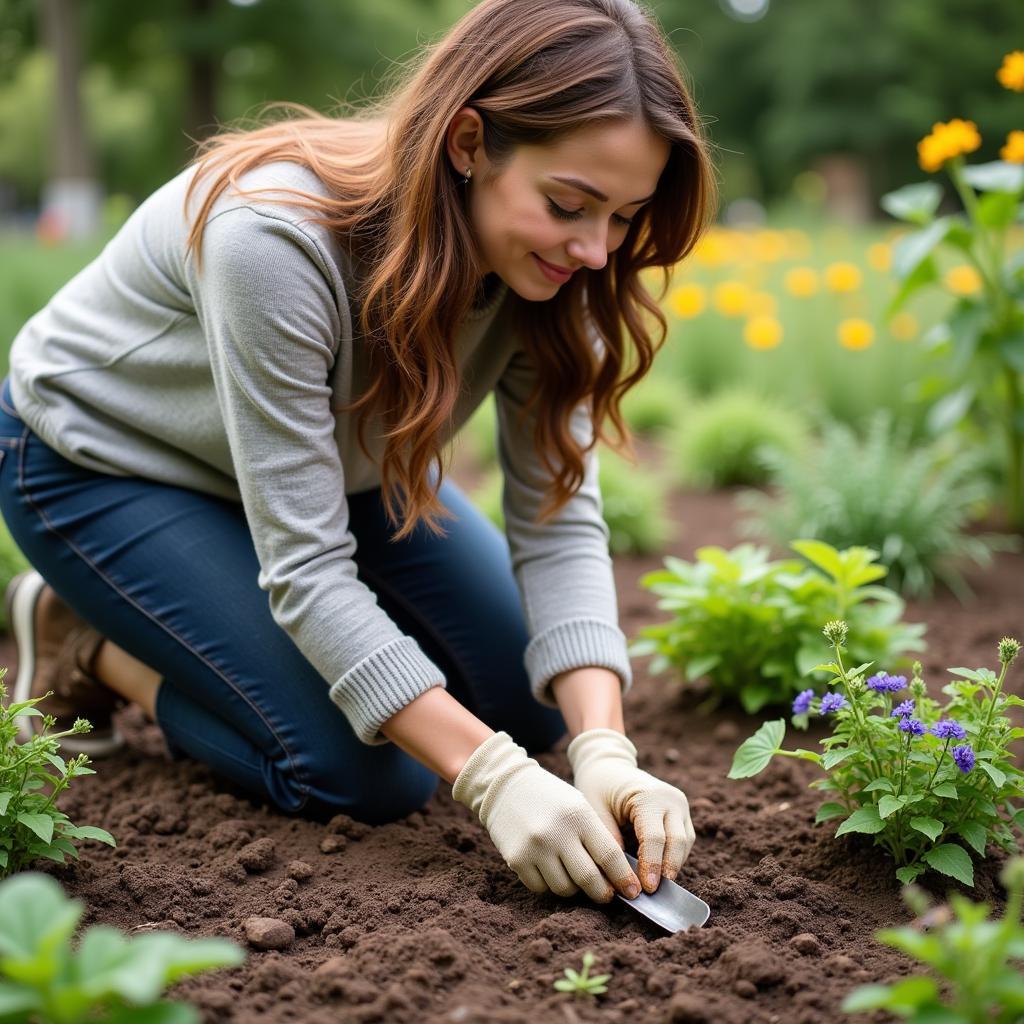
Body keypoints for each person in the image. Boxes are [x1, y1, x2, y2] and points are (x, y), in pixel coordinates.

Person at [0, 0, 715, 906]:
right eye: (568, 204)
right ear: (467, 142)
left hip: (326, 478)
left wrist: (606, 753)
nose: (594, 247)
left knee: (532, 699)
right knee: (363, 771)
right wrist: (490, 779)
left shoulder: (567, 273)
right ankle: (85, 642)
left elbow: (559, 522)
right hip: (100, 462)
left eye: (624, 216)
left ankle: (213, 626)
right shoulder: (275, 237)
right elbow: (306, 565)